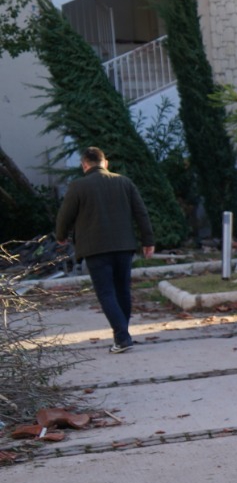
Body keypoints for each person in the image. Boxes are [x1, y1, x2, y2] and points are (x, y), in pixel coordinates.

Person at [55, 146, 155, 353]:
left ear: (84, 165)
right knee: (122, 291)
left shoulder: (78, 186)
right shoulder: (124, 182)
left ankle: (122, 337)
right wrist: (148, 241)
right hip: (124, 245)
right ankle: (122, 335)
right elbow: (141, 213)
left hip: (95, 248)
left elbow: (65, 216)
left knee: (106, 292)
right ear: (105, 162)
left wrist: (61, 236)